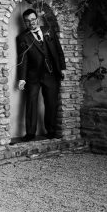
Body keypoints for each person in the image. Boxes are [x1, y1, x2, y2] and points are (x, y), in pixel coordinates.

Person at [16, 8, 65, 141]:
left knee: (51, 103)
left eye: (33, 19)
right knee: (31, 103)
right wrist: (22, 78)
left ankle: (51, 131)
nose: (31, 23)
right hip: (33, 76)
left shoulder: (48, 31)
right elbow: (22, 59)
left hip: (51, 74)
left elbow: (58, 50)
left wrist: (63, 68)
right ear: (25, 23)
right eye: (27, 21)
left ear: (37, 18)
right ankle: (30, 133)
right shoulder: (22, 38)